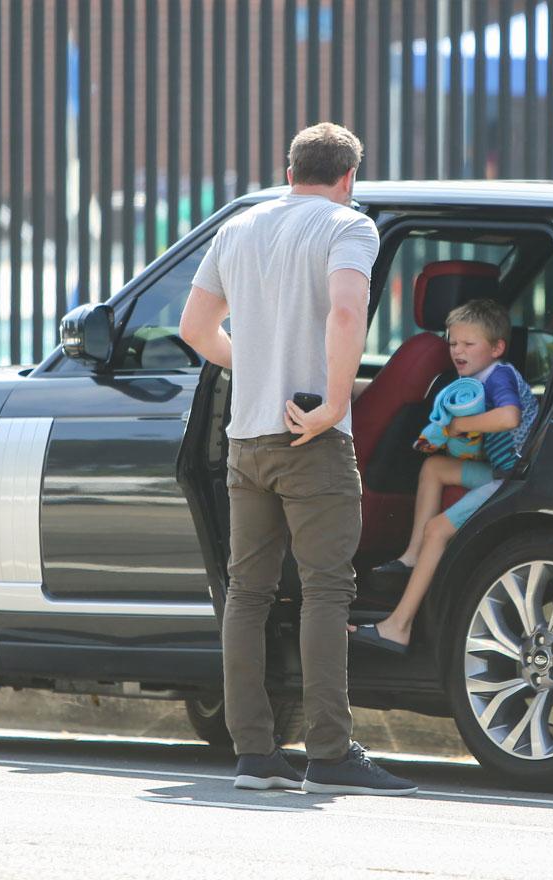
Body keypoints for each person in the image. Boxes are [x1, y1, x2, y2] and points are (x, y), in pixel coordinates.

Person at [178, 122, 417, 796]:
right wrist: (334, 401)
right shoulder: (349, 226)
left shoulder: (239, 227)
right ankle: (330, 753)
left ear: (290, 170)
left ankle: (254, 754)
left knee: (246, 596)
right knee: (325, 590)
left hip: (246, 439)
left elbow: (196, 330)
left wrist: (251, 361)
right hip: (311, 441)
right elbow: (346, 314)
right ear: (349, 177)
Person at [352, 298, 539, 653]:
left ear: (497, 348)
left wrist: (457, 425)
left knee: (438, 529)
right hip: (498, 470)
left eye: (469, 344)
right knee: (434, 467)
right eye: (453, 343)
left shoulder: (498, 375)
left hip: (511, 479)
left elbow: (509, 418)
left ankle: (399, 626)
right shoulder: (475, 378)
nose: (457, 351)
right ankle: (411, 555)